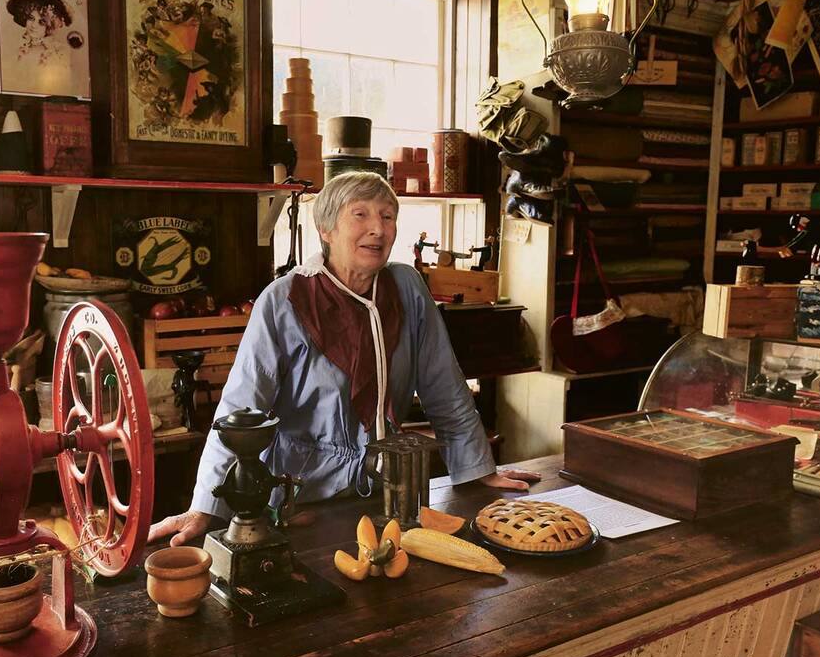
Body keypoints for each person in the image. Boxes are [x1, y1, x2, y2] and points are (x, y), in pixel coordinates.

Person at [149, 172, 538, 546]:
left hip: (383, 493)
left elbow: (444, 388)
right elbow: (241, 410)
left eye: (388, 216)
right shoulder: (285, 300)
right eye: (361, 214)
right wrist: (205, 506)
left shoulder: (406, 288)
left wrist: (477, 471)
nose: (379, 228)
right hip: (297, 502)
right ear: (326, 228)